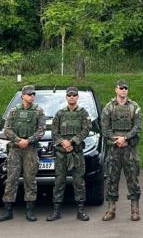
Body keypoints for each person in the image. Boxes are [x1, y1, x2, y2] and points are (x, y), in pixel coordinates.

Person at [0, 84, 45, 223]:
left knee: (30, 180)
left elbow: (41, 130)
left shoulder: (38, 111)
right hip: (15, 150)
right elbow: (7, 129)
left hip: (30, 150)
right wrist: (18, 140)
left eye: (33, 94)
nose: (32, 96)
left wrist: (28, 141)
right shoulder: (13, 111)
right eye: (29, 94)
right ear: (22, 96)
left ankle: (30, 210)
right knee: (11, 179)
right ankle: (8, 210)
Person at [47, 86, 91, 222]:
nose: (72, 97)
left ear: (77, 97)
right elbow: (54, 131)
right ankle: (56, 211)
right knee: (59, 181)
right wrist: (63, 143)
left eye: (74, 95)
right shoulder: (60, 114)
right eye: (69, 95)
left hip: (76, 153)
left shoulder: (83, 113)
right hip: (61, 154)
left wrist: (72, 142)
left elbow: (86, 130)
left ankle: (80, 210)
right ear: (66, 97)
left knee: (79, 182)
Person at [101, 79, 143, 222]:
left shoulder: (134, 107)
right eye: (121, 88)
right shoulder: (108, 107)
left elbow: (137, 127)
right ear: (116, 89)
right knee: (112, 179)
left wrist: (125, 138)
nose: (124, 90)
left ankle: (135, 210)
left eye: (126, 88)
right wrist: (116, 139)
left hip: (129, 149)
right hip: (114, 150)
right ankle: (111, 210)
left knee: (133, 179)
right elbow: (105, 128)